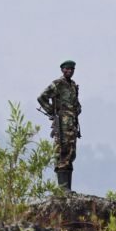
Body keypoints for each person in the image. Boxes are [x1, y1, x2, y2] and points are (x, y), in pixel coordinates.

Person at [37, 60, 81, 191]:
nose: (70, 71)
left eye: (72, 69)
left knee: (71, 154)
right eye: (67, 69)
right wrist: (52, 111)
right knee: (62, 153)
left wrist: (77, 109)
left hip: (72, 125)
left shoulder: (73, 85)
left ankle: (68, 189)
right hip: (61, 125)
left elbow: (76, 103)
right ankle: (62, 190)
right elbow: (42, 97)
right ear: (62, 70)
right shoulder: (57, 84)